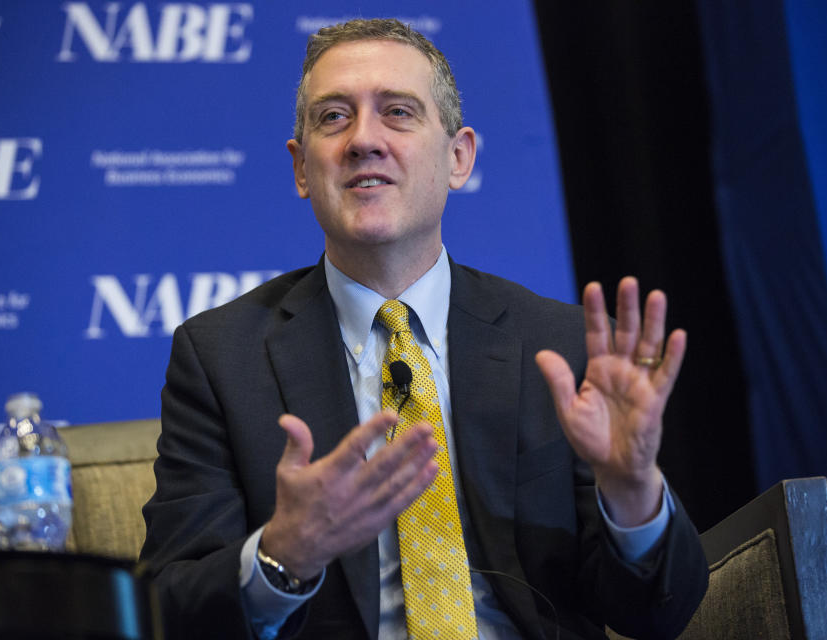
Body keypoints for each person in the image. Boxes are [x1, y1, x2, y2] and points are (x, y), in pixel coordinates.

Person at [139, 18, 709, 640]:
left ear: (458, 157)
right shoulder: (222, 357)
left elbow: (657, 615)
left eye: (398, 112)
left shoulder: (558, 345)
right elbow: (170, 607)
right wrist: (285, 554)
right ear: (302, 169)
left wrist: (631, 493)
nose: (364, 140)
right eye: (333, 117)